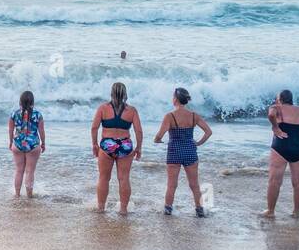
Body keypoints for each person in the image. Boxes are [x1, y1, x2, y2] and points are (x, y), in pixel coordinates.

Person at [153, 87, 212, 217]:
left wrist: (157, 140)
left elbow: (159, 135)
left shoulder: (170, 116)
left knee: (172, 185)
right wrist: (198, 143)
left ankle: (168, 209)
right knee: (194, 185)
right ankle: (199, 210)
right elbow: (208, 132)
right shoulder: (193, 116)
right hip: (190, 151)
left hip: (174, 152)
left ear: (175, 99)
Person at [91, 82, 142, 214]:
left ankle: (101, 208)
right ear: (125, 94)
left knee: (103, 178)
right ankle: (123, 210)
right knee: (124, 178)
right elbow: (139, 131)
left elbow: (94, 127)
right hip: (125, 145)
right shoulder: (131, 111)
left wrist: (95, 144)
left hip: (107, 145)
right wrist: (139, 147)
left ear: (111, 93)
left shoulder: (103, 108)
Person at [8, 90, 46, 197]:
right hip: (33, 145)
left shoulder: (13, 114)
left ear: (20, 101)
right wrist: (43, 143)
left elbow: (10, 130)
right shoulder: (38, 115)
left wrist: (11, 142)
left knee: (19, 171)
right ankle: (29, 196)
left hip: (18, 144)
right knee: (30, 171)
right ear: (32, 102)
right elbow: (41, 131)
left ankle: (17, 195)